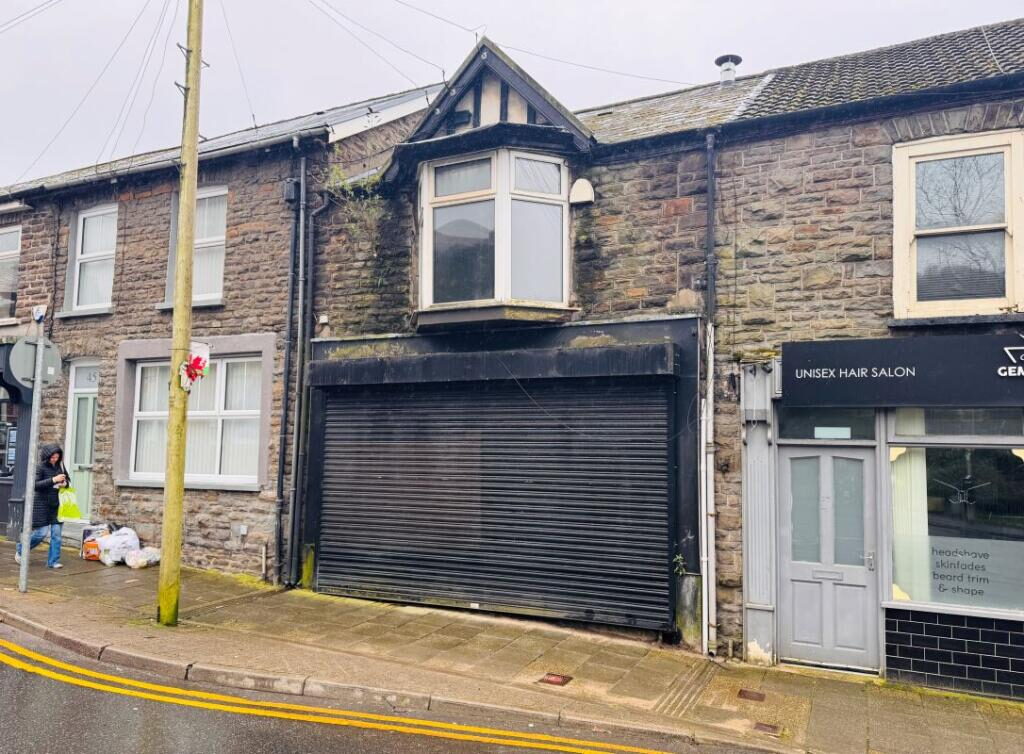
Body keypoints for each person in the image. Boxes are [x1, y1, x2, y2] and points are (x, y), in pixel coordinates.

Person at [14, 443, 69, 569]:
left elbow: (66, 483)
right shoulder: (40, 467)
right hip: (42, 505)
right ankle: (21, 549)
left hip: (56, 505)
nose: (54, 459)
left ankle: (53, 561)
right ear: (47, 456)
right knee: (41, 533)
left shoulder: (60, 467)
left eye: (57, 457)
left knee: (56, 535)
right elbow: (35, 485)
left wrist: (64, 484)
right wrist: (53, 480)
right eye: (52, 457)